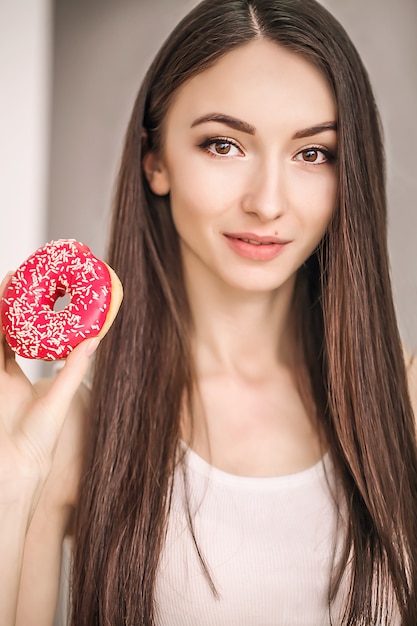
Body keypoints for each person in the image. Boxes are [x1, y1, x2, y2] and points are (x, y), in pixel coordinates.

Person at [2, 0, 417, 624]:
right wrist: (14, 477)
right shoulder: (75, 436)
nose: (268, 203)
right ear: (156, 159)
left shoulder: (406, 408)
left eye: (313, 154)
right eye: (223, 145)